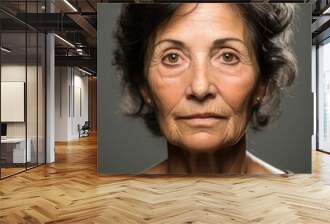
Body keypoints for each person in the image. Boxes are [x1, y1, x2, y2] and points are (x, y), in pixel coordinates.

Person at [113, 3, 296, 175]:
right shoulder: (117, 206)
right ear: (144, 87)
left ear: (261, 84)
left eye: (227, 56)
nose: (200, 88)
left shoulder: (297, 201)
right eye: (173, 58)